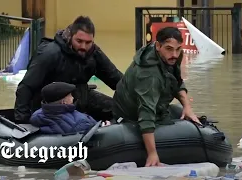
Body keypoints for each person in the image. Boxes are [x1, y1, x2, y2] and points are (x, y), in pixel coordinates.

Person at [112, 27, 201, 167]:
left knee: (183, 114)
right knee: (169, 121)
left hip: (157, 104)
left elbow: (176, 81)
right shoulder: (149, 76)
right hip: (130, 115)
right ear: (158, 46)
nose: (175, 55)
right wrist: (152, 153)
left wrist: (187, 107)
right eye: (169, 49)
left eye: (178, 49)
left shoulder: (173, 56)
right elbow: (146, 114)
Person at [14, 16, 123, 123]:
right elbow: (25, 87)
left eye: (88, 42)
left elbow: (117, 80)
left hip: (81, 98)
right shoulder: (50, 53)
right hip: (52, 106)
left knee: (120, 110)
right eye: (79, 41)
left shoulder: (94, 54)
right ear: (70, 37)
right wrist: (22, 122)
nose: (83, 47)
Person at [30, 82, 111, 134]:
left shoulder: (36, 116)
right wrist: (105, 128)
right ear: (63, 102)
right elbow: (98, 134)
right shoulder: (80, 122)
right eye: (70, 96)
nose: (73, 97)